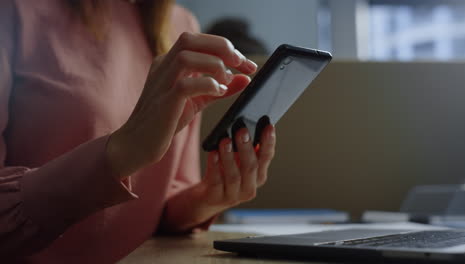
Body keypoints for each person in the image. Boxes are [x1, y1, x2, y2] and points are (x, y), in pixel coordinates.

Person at [0, 0, 276, 263]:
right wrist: (122, 152)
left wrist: (209, 197)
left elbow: (166, 202)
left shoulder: (181, 25)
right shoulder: (13, 11)